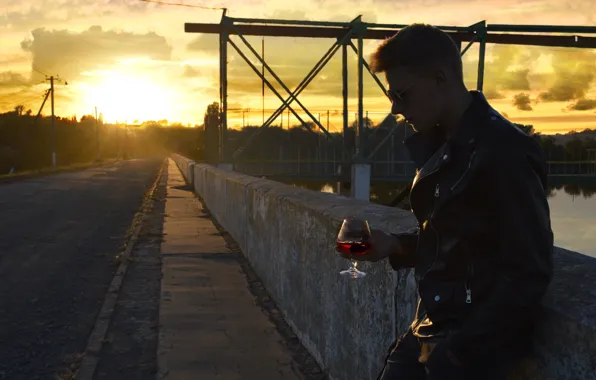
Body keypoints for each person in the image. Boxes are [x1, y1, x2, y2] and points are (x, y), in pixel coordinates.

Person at [341, 24, 554, 379]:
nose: (395, 108)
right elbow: (454, 240)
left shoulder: (504, 150)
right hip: (430, 329)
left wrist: (457, 355)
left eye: (403, 95)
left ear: (440, 77)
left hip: (469, 349)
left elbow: (528, 271)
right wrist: (396, 243)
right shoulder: (445, 143)